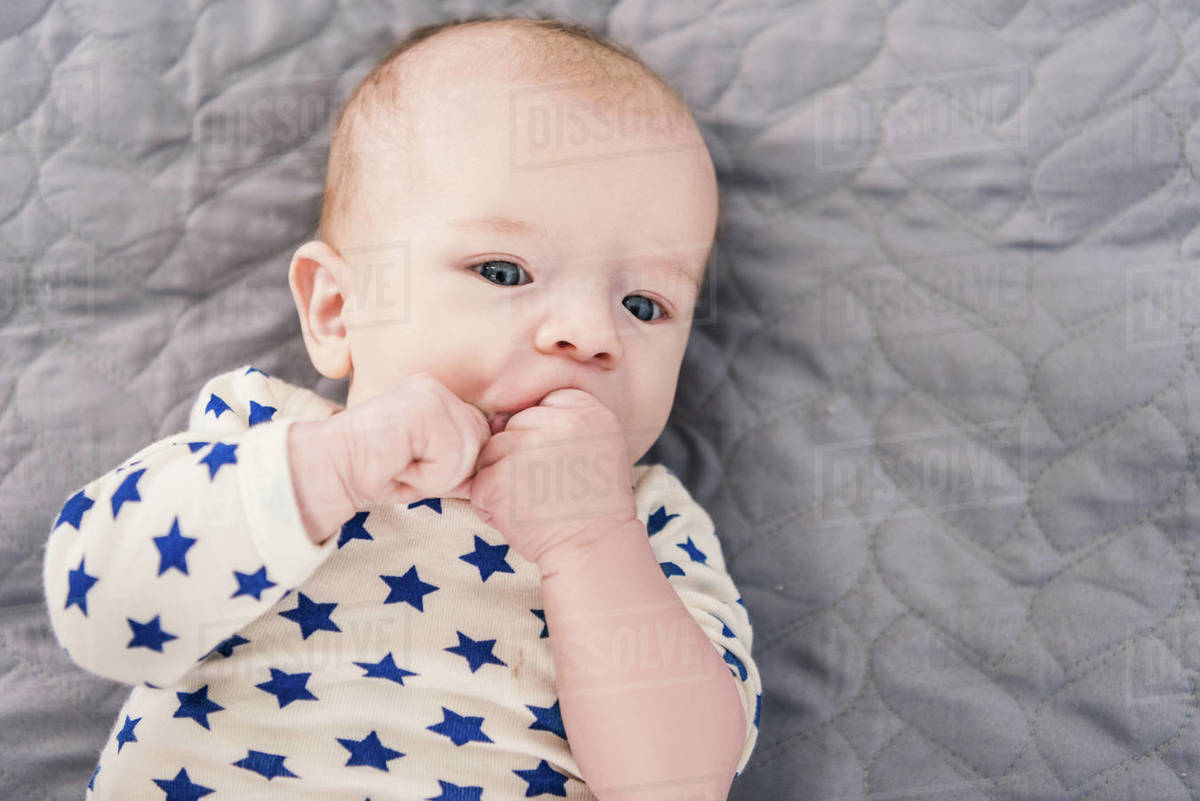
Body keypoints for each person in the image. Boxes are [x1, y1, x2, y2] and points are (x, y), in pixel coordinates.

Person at [43, 15, 762, 800]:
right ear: (337, 310)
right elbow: (97, 607)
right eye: (503, 269)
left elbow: (681, 785)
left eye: (644, 304)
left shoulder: (650, 527)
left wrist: (591, 541)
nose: (591, 334)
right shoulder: (263, 440)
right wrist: (332, 468)